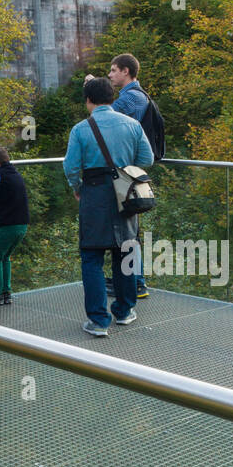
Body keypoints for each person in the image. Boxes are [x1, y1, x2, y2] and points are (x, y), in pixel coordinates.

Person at [63, 76, 154, 337]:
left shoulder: (81, 129)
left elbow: (70, 166)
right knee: (125, 251)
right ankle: (124, 312)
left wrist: (77, 188)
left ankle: (98, 321)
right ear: (112, 99)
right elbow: (146, 158)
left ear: (88, 100)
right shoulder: (132, 124)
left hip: (93, 193)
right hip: (124, 194)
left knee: (91, 255)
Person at [85, 54, 152, 297]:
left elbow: (103, 115)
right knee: (129, 232)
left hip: (122, 177)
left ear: (126, 71)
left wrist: (93, 88)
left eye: (113, 71)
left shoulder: (130, 99)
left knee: (127, 235)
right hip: (127, 175)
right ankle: (135, 280)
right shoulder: (133, 97)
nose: (111, 75)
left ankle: (137, 282)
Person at [0, 147, 30, 306]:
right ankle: (6, 292)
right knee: (5, 257)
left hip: (8, 225)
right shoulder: (14, 173)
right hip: (22, 225)